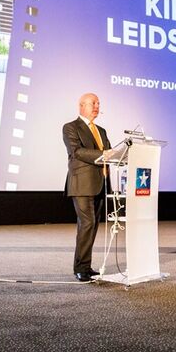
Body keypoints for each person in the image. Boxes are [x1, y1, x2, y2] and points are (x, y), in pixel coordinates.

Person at [62, 93, 112, 282]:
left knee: (92, 225)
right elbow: (76, 151)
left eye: (98, 103)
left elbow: (109, 152)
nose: (97, 106)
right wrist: (103, 154)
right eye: (93, 103)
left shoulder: (101, 130)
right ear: (81, 105)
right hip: (82, 184)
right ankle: (80, 268)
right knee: (87, 223)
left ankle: (86, 266)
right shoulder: (70, 127)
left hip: (100, 183)